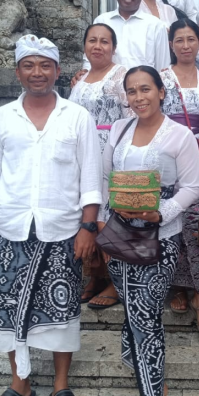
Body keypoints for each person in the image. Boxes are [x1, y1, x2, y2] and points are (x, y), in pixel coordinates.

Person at [0, 34, 102, 396]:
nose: (37, 73)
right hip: (12, 228)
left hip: (62, 228)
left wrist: (88, 227)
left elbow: (91, 177)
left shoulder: (77, 117)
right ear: (18, 72)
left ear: (58, 71)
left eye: (45, 65)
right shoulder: (2, 118)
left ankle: (61, 384)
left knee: (62, 307)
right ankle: (20, 383)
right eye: (29, 65)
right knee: (11, 307)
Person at [99, 66, 199, 396]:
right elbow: (107, 178)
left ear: (162, 92)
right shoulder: (121, 130)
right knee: (132, 314)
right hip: (123, 237)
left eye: (146, 89)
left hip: (160, 239)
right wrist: (109, 222)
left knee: (144, 318)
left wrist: (165, 212)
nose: (139, 97)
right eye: (132, 91)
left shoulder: (179, 135)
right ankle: (152, 382)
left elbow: (192, 187)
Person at [159, 18, 199, 318]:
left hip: (198, 152)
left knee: (195, 216)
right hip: (167, 151)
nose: (185, 45)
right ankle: (176, 285)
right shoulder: (161, 78)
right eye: (179, 40)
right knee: (170, 213)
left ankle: (198, 284)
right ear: (171, 44)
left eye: (191, 39)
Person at [68, 24, 132, 310]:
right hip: (80, 151)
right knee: (87, 209)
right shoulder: (79, 81)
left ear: (113, 47)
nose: (98, 46)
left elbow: (132, 116)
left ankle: (114, 281)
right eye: (92, 40)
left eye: (104, 41)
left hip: (109, 149)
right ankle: (94, 274)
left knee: (108, 212)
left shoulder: (121, 76)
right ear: (84, 46)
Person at [82, 0, 170, 72]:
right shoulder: (102, 21)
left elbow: (163, 70)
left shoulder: (156, 26)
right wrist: (84, 73)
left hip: (142, 88)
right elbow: (89, 61)